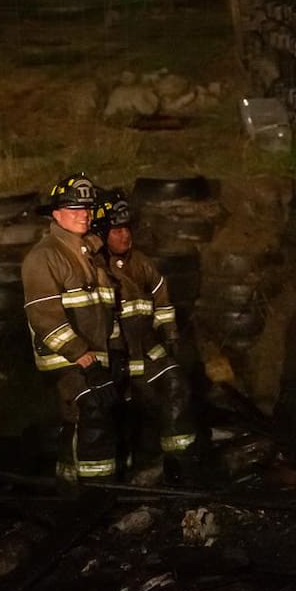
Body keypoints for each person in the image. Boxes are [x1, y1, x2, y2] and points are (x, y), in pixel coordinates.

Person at [22, 173, 123, 487]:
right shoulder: (44, 256)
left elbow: (106, 309)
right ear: (56, 215)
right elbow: (44, 317)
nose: (84, 215)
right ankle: (95, 493)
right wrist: (84, 360)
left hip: (95, 356)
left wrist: (116, 352)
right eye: (74, 209)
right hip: (66, 359)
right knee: (92, 409)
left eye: (87, 209)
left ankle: (71, 488)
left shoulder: (88, 255)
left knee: (82, 420)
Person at [91, 188, 198, 481]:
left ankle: (181, 463)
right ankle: (119, 475)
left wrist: (171, 336)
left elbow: (162, 303)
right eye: (116, 230)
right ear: (100, 233)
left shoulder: (142, 264)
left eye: (127, 228)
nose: (125, 236)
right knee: (118, 416)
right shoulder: (93, 267)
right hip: (115, 359)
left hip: (148, 352)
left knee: (177, 383)